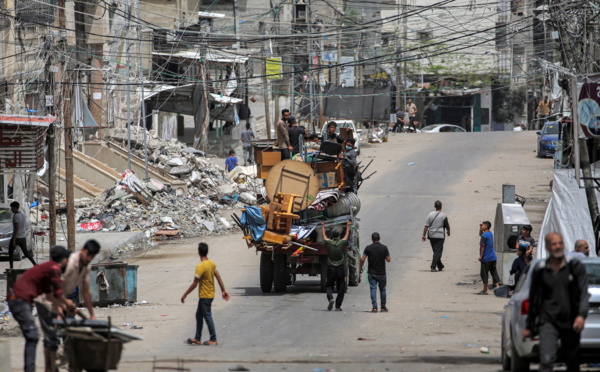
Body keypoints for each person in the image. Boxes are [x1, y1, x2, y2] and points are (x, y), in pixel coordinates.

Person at [523, 233, 590, 372]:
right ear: (547, 247)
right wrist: (529, 326)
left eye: (560, 243)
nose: (557, 246)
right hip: (548, 321)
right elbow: (535, 299)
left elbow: (583, 293)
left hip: (571, 322)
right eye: (554, 244)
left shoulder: (575, 267)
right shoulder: (540, 269)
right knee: (547, 359)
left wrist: (581, 316)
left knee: (572, 361)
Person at [34, 240, 101, 371]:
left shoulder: (86, 266)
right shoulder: (68, 264)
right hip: (46, 300)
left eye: (92, 256)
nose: (89, 259)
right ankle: (51, 368)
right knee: (51, 336)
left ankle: (73, 366)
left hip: (65, 300)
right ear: (82, 250)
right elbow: (56, 291)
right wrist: (60, 313)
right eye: (88, 255)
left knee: (71, 333)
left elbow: (86, 291)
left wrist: (92, 314)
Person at [8, 246, 75, 372]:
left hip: (17, 299)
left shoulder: (47, 268)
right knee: (33, 335)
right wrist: (68, 303)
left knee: (34, 336)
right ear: (64, 260)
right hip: (18, 300)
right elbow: (58, 294)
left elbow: (50, 296)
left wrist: (64, 305)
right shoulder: (54, 268)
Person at [181, 242, 230, 346]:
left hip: (205, 296)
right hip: (210, 295)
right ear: (207, 252)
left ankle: (213, 338)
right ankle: (197, 338)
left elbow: (195, 283)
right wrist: (223, 290)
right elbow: (218, 277)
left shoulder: (200, 266)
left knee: (207, 316)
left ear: (198, 252)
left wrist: (185, 294)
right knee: (199, 315)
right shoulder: (212, 264)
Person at [322, 221, 351, 311]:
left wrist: (323, 226)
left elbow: (324, 236)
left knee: (329, 286)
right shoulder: (342, 243)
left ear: (331, 234)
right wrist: (347, 226)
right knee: (341, 287)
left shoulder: (329, 243)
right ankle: (338, 306)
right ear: (339, 234)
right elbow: (346, 235)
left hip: (331, 269)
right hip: (340, 269)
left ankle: (331, 298)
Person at [360, 232, 391, 312]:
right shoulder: (384, 248)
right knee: (383, 290)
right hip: (382, 273)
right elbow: (388, 260)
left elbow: (362, 259)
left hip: (371, 273)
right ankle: (383, 307)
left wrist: (360, 268)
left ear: (372, 239)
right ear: (379, 238)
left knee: (373, 289)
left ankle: (374, 307)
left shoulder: (368, 248)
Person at [422, 200, 450, 272]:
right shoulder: (443, 215)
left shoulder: (430, 214)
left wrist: (423, 235)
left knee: (436, 251)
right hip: (440, 236)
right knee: (438, 252)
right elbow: (447, 226)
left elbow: (426, 226)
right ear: (441, 206)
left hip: (431, 235)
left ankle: (440, 265)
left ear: (435, 206)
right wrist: (448, 232)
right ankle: (433, 267)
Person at [9, 201, 36, 268]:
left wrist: (14, 240)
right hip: (23, 237)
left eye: (12, 208)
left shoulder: (15, 216)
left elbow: (16, 228)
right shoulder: (23, 215)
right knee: (26, 253)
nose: (11, 209)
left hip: (17, 237)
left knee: (10, 253)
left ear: (15, 208)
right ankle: (35, 264)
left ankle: (11, 268)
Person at [478, 221, 501, 295]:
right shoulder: (490, 233)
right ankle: (498, 288)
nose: (482, 226)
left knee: (484, 274)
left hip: (486, 258)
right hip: (493, 257)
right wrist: (480, 228)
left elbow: (482, 247)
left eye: (483, 225)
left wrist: (481, 256)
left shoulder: (485, 236)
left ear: (486, 227)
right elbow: (480, 234)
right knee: (494, 272)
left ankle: (485, 290)